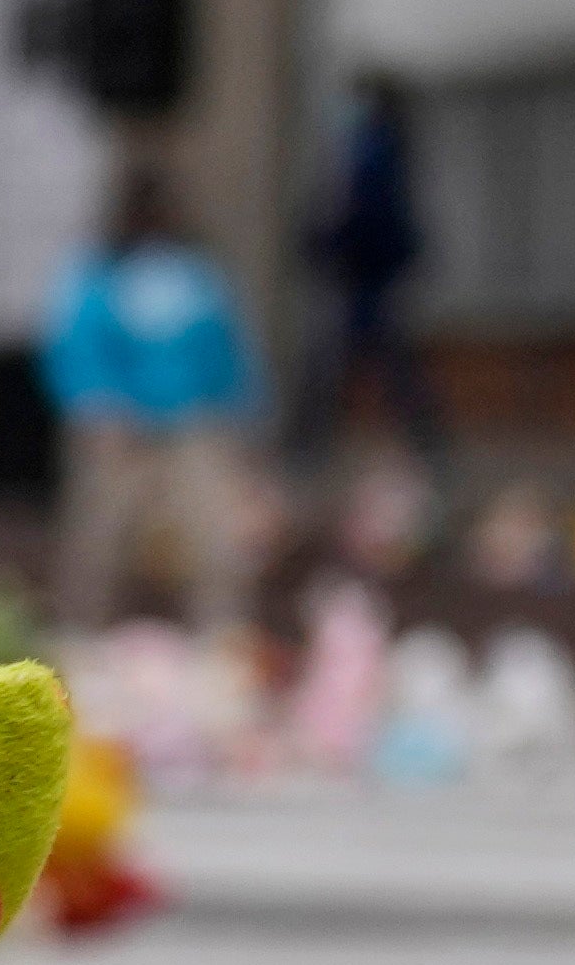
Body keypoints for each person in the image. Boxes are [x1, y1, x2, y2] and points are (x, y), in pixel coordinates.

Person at [38, 168, 267, 636]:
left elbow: (225, 351)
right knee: (97, 544)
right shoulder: (95, 273)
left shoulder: (196, 274)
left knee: (216, 542)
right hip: (119, 429)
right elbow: (75, 348)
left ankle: (222, 640)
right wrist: (94, 405)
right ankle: (79, 638)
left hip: (191, 425)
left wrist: (243, 419)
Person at [304, 66, 442, 470]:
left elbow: (364, 216)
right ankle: (425, 438)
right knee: (380, 359)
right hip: (371, 274)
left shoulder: (371, 149)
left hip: (365, 275)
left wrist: (329, 246)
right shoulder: (386, 145)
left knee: (345, 360)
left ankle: (307, 447)